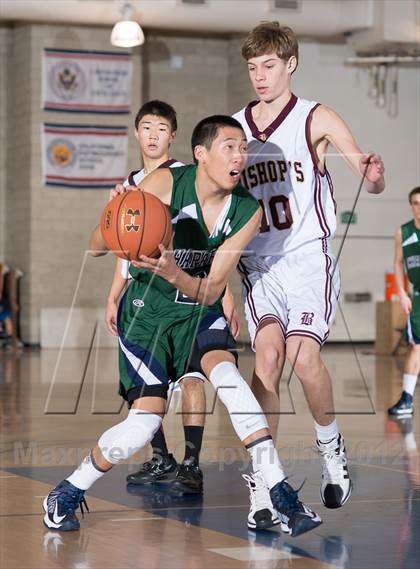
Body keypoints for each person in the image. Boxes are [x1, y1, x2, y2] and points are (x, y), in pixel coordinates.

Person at [43, 115, 322, 537]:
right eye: (230, 146)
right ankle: (67, 490)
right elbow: (98, 247)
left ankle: (279, 490)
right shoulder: (164, 185)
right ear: (201, 154)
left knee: (229, 378)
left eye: (243, 147)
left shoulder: (247, 211)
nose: (240, 155)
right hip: (147, 313)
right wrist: (115, 214)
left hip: (194, 307)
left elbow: (210, 291)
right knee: (144, 423)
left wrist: (176, 273)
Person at [231, 22, 385, 529]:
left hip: (307, 259)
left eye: (269, 66)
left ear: (290, 63)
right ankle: (264, 475)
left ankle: (330, 447)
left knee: (303, 357)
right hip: (258, 265)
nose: (260, 76)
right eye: (253, 67)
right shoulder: (235, 128)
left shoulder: (314, 117)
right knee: (267, 360)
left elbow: (362, 163)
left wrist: (372, 174)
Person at [108, 100, 239, 493]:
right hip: (142, 296)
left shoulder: (187, 177)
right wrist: (113, 294)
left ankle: (191, 464)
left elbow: (211, 243)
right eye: (146, 127)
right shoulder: (129, 185)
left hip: (187, 291)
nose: (152, 135)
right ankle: (161, 457)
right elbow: (121, 250)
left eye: (161, 129)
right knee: (145, 385)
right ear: (136, 133)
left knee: (192, 377)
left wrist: (226, 295)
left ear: (173, 136)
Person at [388, 186, 420, 417]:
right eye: (416, 203)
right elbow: (398, 262)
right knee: (415, 347)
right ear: (411, 205)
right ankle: (406, 399)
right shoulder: (403, 231)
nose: (419, 208)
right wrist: (401, 291)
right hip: (417, 296)